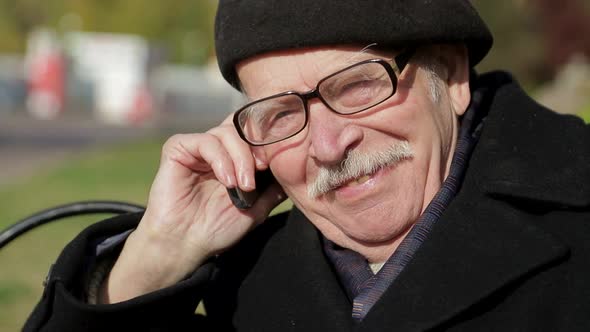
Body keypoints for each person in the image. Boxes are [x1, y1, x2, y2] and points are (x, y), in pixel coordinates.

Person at [25, 0, 590, 331]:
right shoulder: (242, 283)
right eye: (278, 113)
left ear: (452, 76)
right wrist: (154, 261)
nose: (327, 144)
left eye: (360, 85)